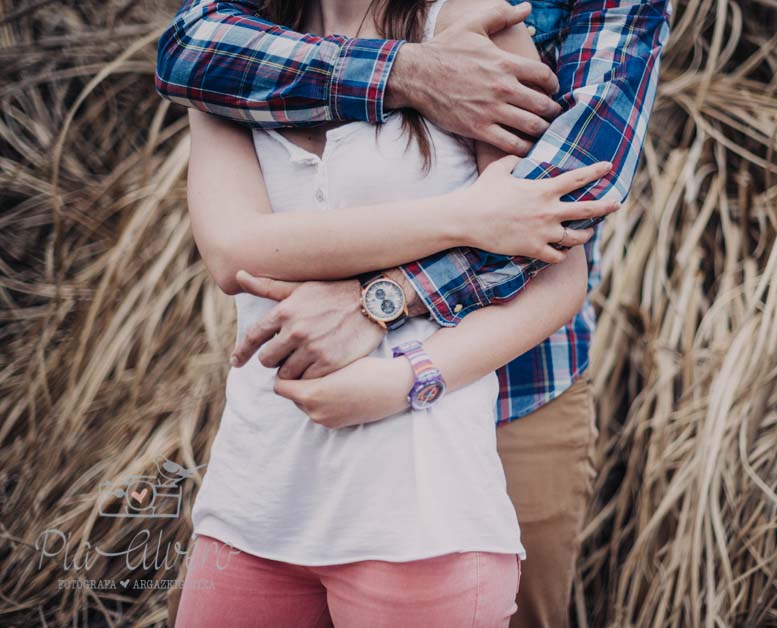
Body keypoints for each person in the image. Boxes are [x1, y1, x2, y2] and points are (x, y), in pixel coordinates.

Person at [156, 0, 670, 625]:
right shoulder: (241, 51)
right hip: (262, 491)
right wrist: (462, 209)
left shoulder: (481, 25)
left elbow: (557, 221)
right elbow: (231, 245)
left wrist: (390, 328)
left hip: (450, 471)